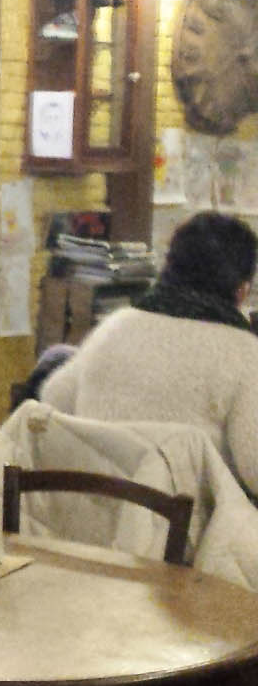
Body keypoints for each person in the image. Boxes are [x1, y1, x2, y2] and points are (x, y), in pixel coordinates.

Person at [40, 211, 258, 493]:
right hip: (184, 518)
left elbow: (53, 397)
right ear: (241, 290)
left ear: (169, 269)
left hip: (92, 510)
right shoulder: (243, 353)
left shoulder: (115, 326)